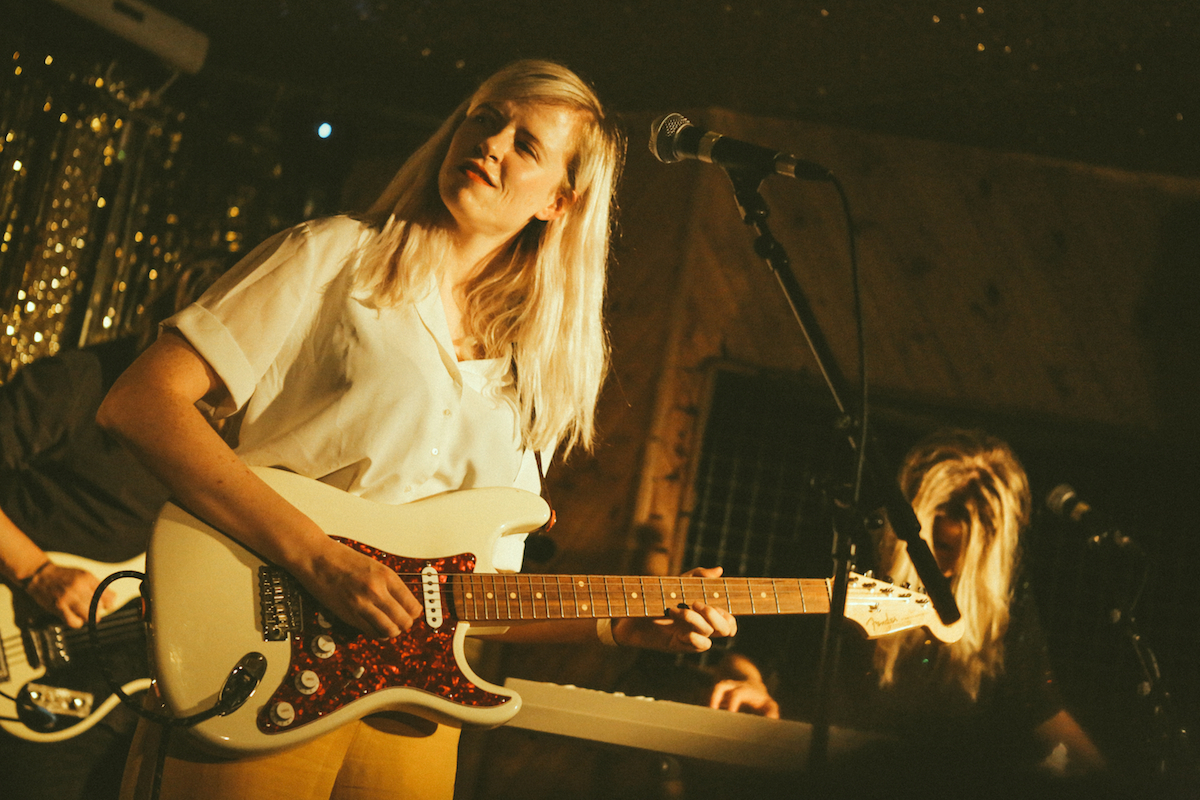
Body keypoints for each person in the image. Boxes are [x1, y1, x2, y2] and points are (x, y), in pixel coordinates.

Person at [97, 60, 736, 800]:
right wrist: (319, 559)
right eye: (484, 117)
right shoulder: (331, 255)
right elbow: (140, 403)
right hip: (258, 666)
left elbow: (479, 592)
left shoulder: (534, 367)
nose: (492, 142)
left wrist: (620, 623)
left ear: (560, 201)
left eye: (525, 143)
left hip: (411, 717)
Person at [704, 429, 1106, 792]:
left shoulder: (1005, 601)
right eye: (941, 545)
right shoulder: (840, 554)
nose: (946, 567)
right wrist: (748, 684)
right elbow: (750, 656)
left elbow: (1039, 709)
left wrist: (1110, 782)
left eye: (968, 553)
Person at [0, 337, 170, 800]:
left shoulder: (242, 438)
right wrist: (36, 572)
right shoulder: (84, 379)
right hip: (23, 626)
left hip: (113, 697)